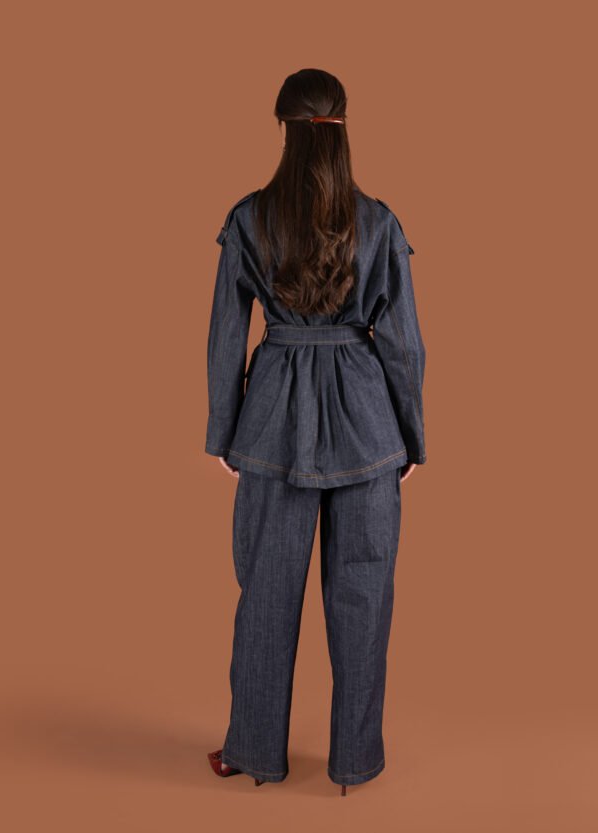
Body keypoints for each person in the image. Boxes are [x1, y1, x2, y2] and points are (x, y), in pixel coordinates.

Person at [205, 68, 427, 796]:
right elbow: (403, 343)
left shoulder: (248, 218)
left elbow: (227, 333)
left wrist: (224, 431)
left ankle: (252, 751)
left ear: (284, 129)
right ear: (343, 128)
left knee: (265, 591)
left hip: (270, 421)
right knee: (364, 593)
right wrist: (412, 436)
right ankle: (354, 762)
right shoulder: (380, 221)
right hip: (369, 426)